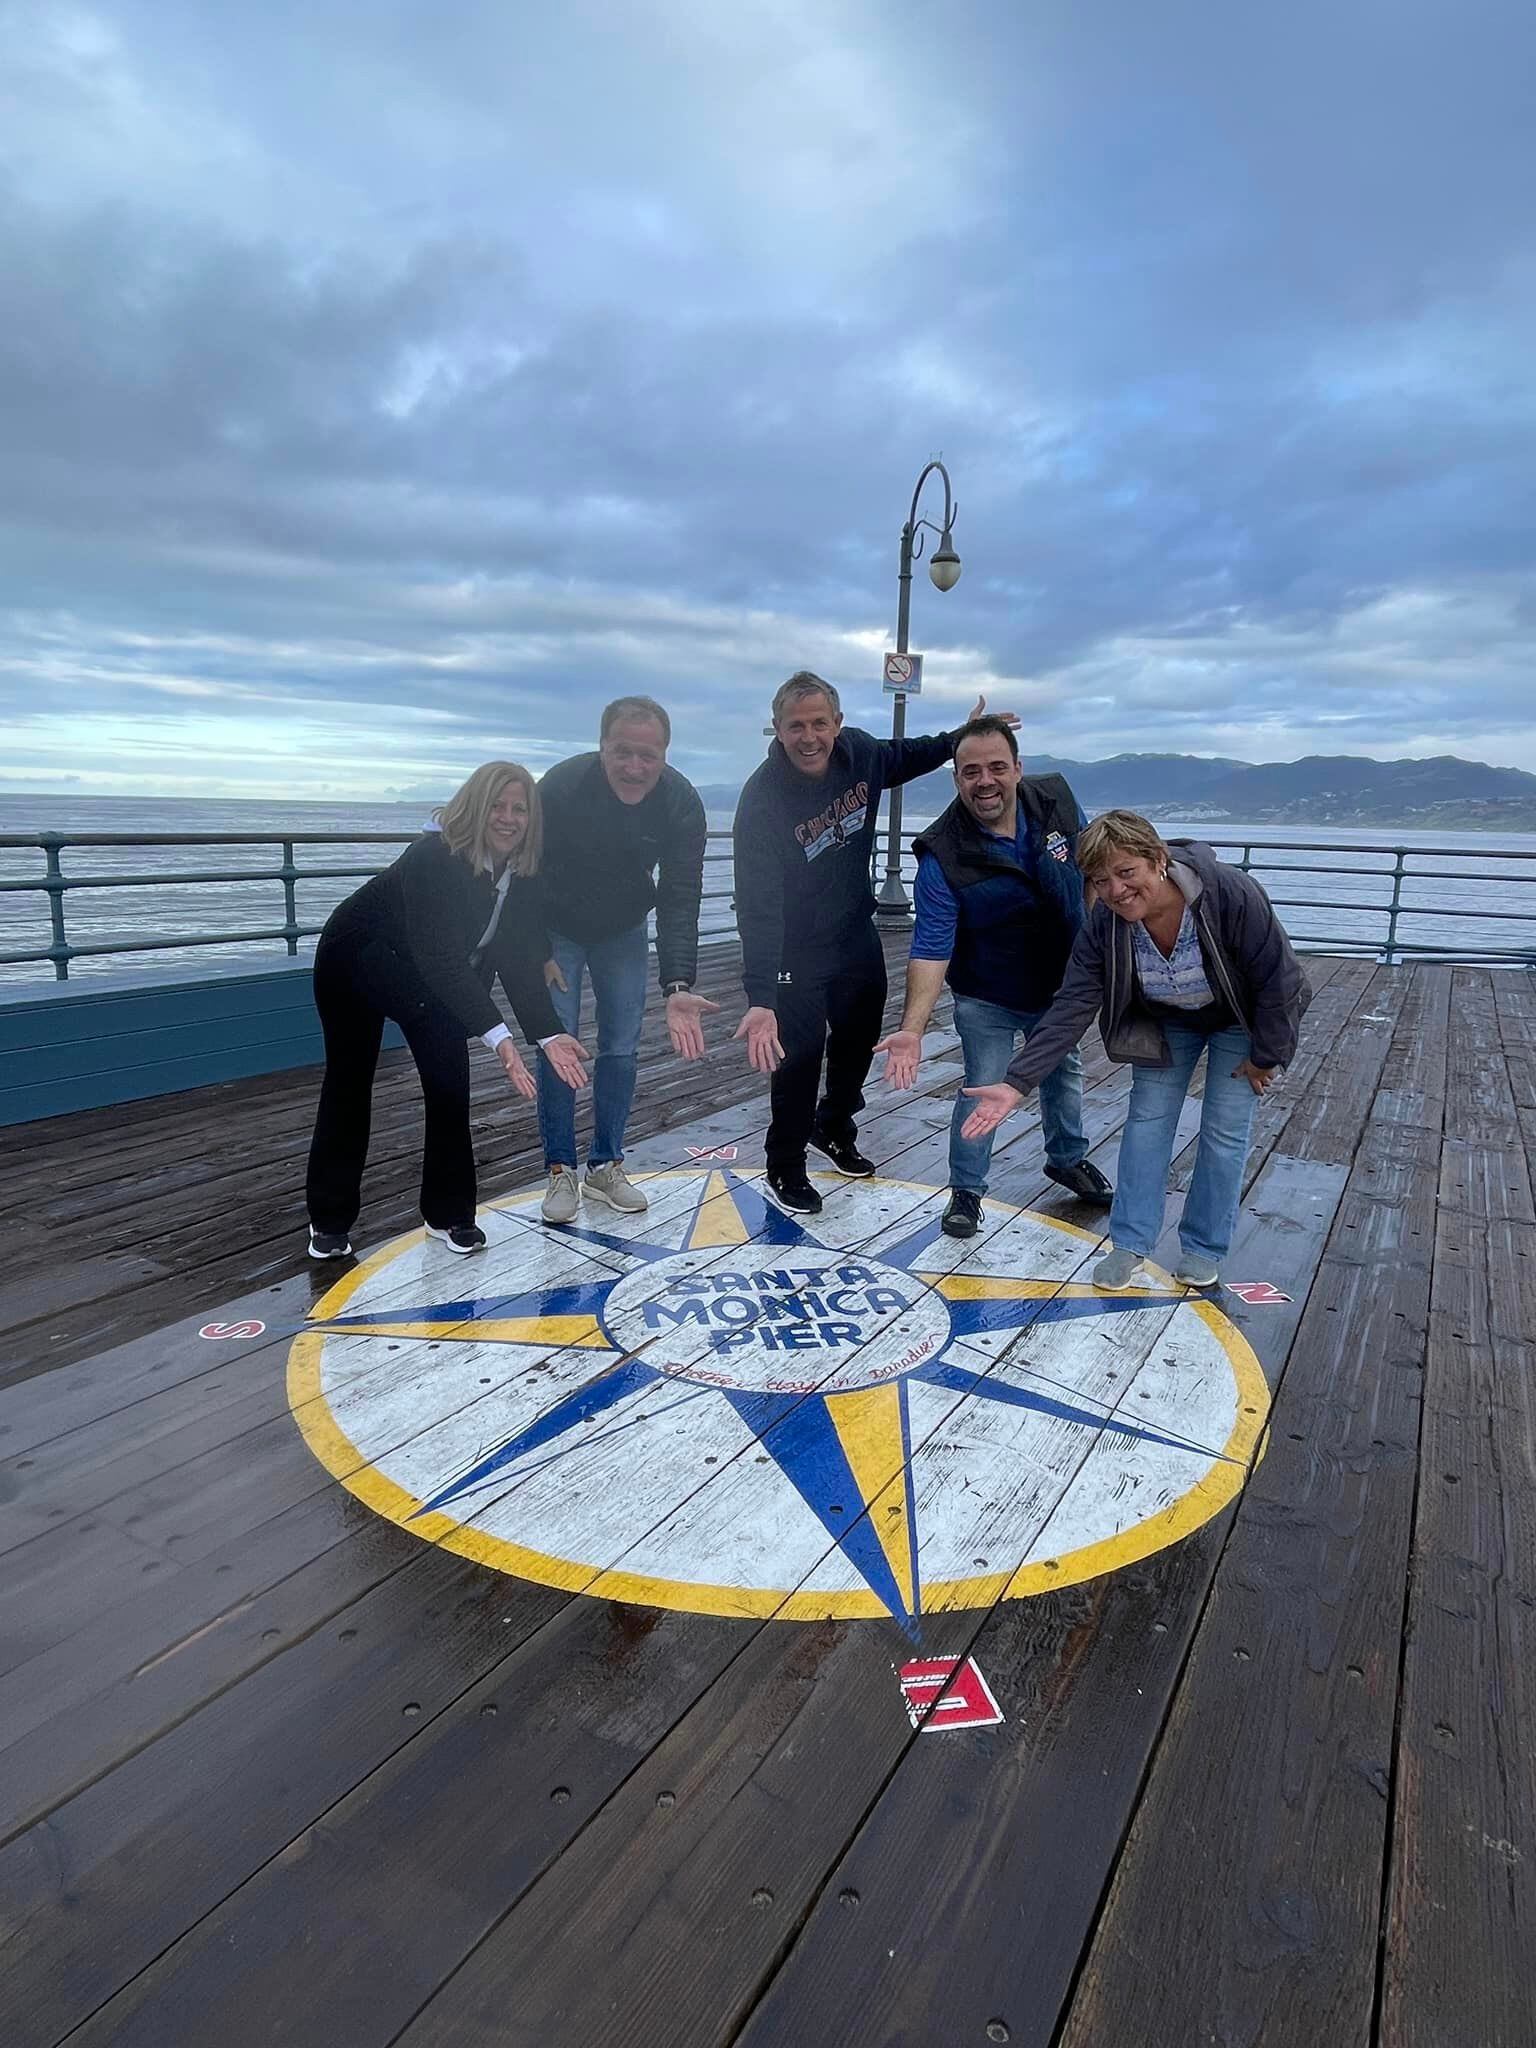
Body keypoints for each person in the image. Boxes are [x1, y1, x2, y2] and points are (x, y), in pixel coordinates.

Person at [960, 810, 1310, 1289]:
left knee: (1224, 1131)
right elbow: (1074, 1002)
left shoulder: (1227, 892)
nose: (1116, 890)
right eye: (1100, 880)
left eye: (1126, 872)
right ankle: (1129, 1246)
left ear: (1157, 860)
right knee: (1146, 1125)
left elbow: (1279, 978)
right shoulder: (1105, 922)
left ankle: (1203, 1248)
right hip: (1165, 1020)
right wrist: (1017, 1082)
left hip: (1237, 1018)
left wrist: (1267, 1055)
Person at [732, 670, 1016, 1215]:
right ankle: (784, 1164)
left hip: (852, 932)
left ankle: (833, 1125)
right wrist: (762, 995)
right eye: (796, 726)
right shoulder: (761, 800)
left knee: (860, 1035)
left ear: (838, 724)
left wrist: (963, 737)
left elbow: (909, 754)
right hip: (793, 948)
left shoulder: (860, 754)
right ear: (776, 730)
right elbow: (757, 905)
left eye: (820, 723)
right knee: (801, 1054)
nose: (809, 736)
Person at [305, 762, 588, 1259]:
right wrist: (499, 1039)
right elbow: (439, 957)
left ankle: (450, 1214)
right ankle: (328, 1220)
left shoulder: (520, 872)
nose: (507, 818)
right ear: (476, 808)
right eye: (497, 806)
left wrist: (546, 1034)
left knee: (449, 1085)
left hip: (427, 976)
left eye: (519, 808)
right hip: (356, 961)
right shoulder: (434, 857)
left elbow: (515, 955)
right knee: (350, 1084)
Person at [873, 714, 1113, 1237]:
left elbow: (1094, 868)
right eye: (971, 771)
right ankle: (966, 1189)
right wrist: (912, 1029)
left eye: (997, 767)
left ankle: (1067, 1158)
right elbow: (932, 946)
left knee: (1063, 1071)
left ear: (1018, 769)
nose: (986, 781)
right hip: (988, 993)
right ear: (956, 778)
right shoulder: (942, 853)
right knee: (982, 1086)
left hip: (1058, 984)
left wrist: (1098, 944)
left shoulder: (1057, 800)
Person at [536, 695, 713, 1222]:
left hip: (624, 930)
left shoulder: (680, 802)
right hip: (556, 927)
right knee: (558, 1041)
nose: (635, 767)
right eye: (623, 753)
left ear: (665, 754)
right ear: (602, 748)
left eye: (648, 756)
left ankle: (605, 1165)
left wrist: (678, 982)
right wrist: (535, 951)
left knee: (621, 1045)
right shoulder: (561, 787)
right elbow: (523, 874)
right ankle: (559, 1170)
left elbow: (681, 893)